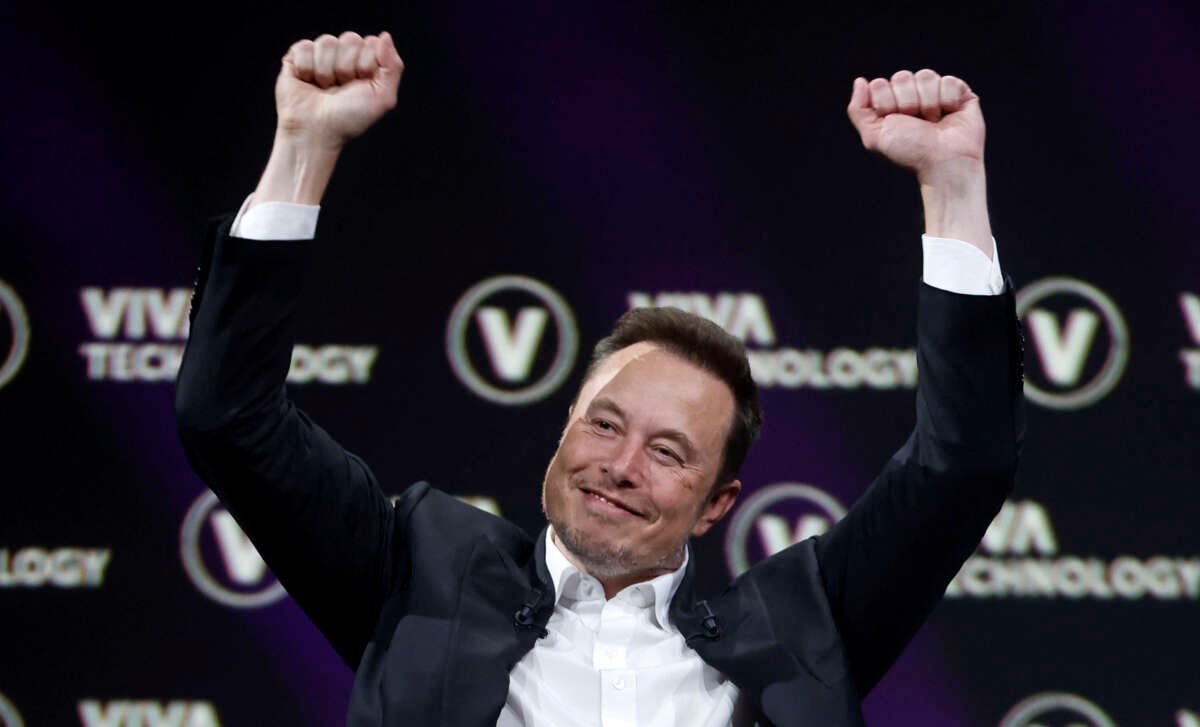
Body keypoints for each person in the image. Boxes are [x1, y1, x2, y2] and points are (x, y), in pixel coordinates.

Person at [175, 29, 1023, 727]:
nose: (620, 465)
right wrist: (304, 147)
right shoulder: (416, 570)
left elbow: (961, 467)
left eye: (668, 451)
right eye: (606, 424)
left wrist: (952, 188)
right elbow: (230, 418)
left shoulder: (804, 625)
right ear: (564, 426)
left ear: (720, 499)